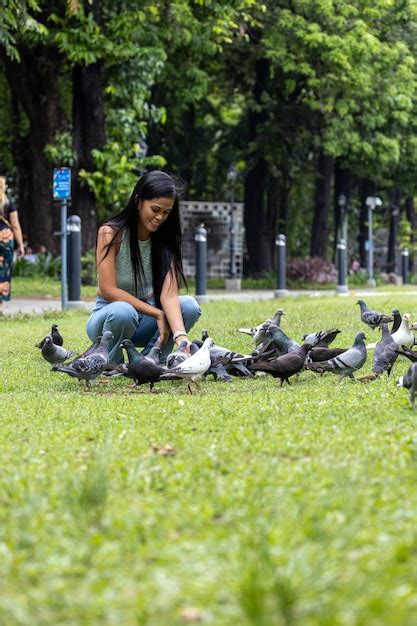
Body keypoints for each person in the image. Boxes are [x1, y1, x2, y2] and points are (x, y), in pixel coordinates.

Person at [86, 170, 201, 363]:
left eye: (166, 212)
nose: (160, 217)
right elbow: (108, 289)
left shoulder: (166, 240)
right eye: (155, 209)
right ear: (138, 201)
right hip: (110, 320)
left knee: (189, 305)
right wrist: (156, 312)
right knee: (123, 311)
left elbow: (169, 295)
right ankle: (112, 363)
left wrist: (181, 336)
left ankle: (151, 362)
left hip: (146, 321)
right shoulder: (110, 233)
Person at [0, 176, 24, 308]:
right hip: (5, 240)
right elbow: (15, 225)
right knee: (4, 270)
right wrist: (20, 245)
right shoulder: (9, 204)